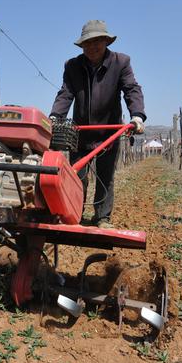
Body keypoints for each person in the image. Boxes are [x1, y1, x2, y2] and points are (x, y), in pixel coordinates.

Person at [50, 20, 146, 229]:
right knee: (77, 176)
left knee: (105, 177)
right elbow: (66, 93)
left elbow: (131, 89)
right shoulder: (73, 66)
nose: (92, 47)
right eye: (87, 43)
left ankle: (102, 218)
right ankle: (73, 214)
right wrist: (55, 117)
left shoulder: (121, 62)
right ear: (82, 45)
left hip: (108, 131)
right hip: (80, 133)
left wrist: (137, 115)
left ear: (106, 42)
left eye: (97, 42)